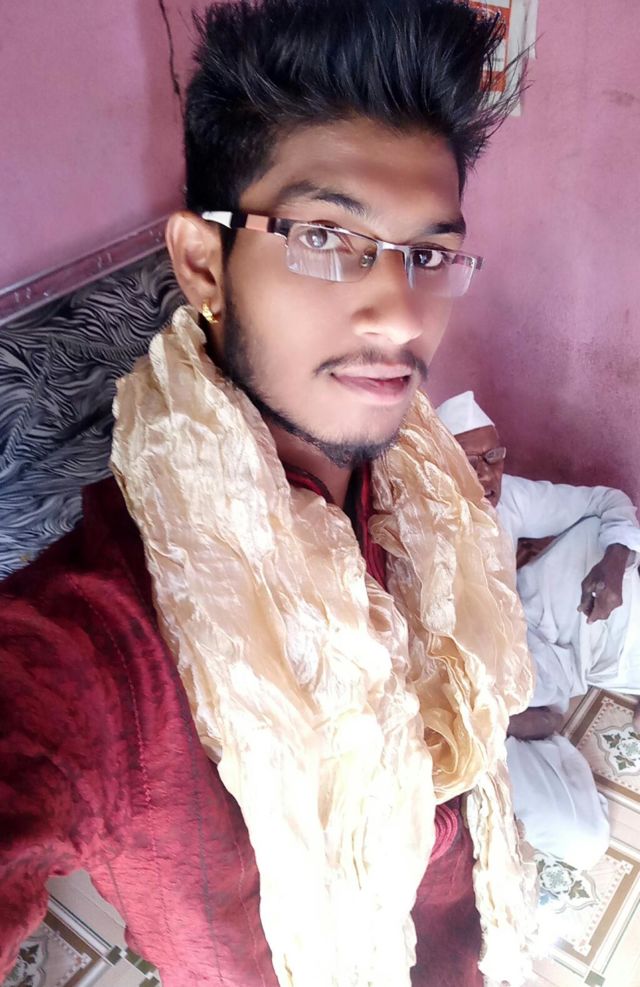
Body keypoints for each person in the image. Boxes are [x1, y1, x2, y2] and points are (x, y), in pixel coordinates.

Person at [0, 4, 538, 986]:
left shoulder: (420, 490)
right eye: (326, 236)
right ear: (203, 263)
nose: (398, 312)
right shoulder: (108, 644)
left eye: (426, 254)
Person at [437, 390, 640, 869]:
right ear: (437, 466)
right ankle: (485, 774)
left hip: (531, 638)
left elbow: (608, 502)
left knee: (603, 542)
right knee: (583, 841)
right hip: (466, 693)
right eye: (468, 461)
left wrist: (612, 565)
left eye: (493, 456)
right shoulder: (417, 527)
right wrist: (502, 720)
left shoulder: (508, 497)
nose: (486, 474)